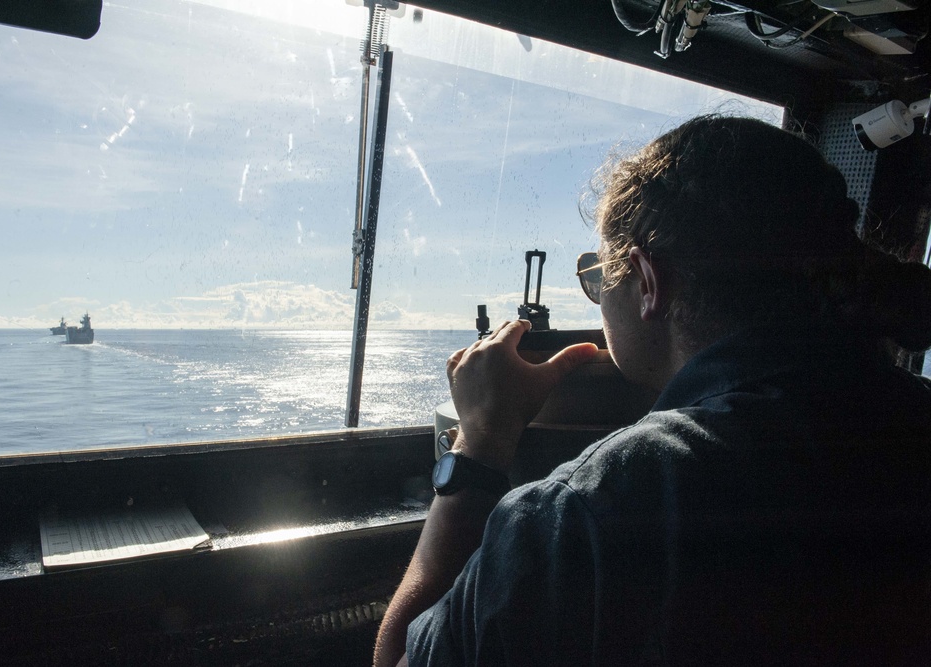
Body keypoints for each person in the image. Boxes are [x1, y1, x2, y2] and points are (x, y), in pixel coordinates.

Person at [373, 115, 931, 667]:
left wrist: (480, 443)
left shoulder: (592, 510)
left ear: (647, 281)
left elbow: (397, 659)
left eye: (597, 279)